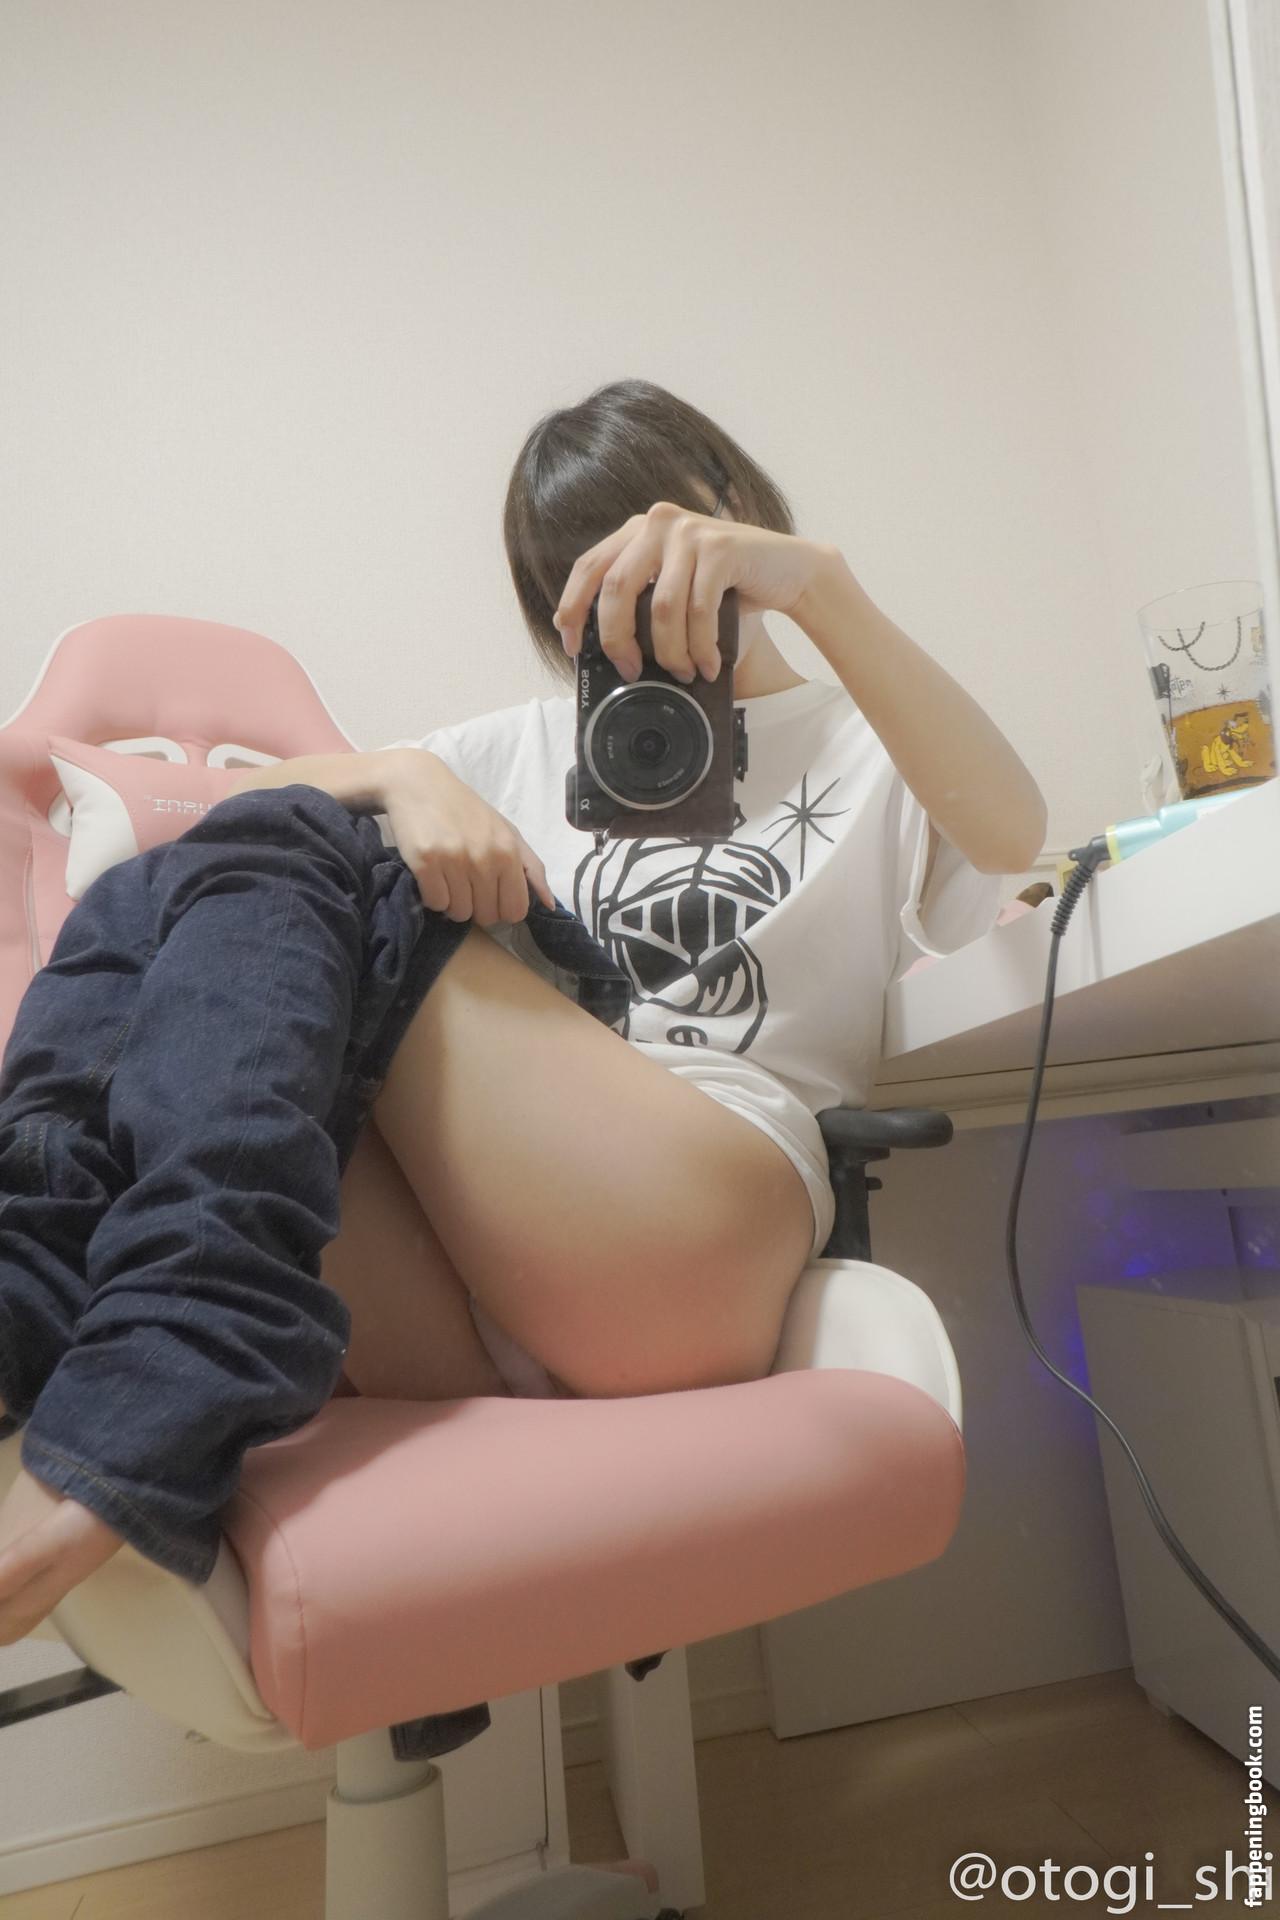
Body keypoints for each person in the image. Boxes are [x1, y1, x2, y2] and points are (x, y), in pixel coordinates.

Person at [0, 379, 1046, 1642]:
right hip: (448, 1296)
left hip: (686, 1238)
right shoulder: (511, 750)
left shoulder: (867, 737)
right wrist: (399, 775)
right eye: (580, 590)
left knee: (317, 851)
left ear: (726, 516)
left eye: (647, 561)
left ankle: (92, 1309)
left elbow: (1009, 832)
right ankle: (94, 1309)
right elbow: (193, 854)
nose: (630, 612)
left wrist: (816, 585)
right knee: (240, 866)